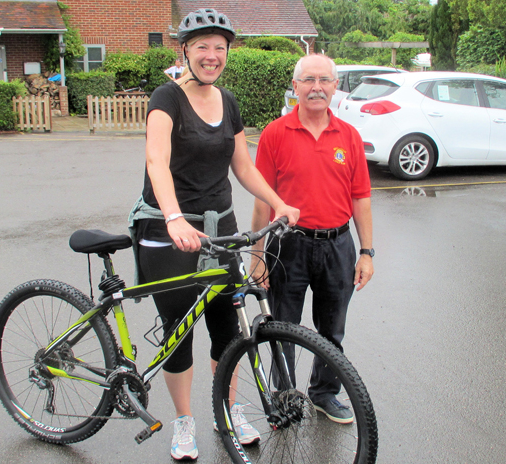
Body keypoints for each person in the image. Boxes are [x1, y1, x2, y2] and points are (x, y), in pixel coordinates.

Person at [129, 8, 299, 461]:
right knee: (178, 332)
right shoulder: (166, 98)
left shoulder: (228, 99)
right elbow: (156, 162)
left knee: (227, 325)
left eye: (219, 48)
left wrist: (278, 200)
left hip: (219, 230)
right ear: (184, 50)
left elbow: (242, 165)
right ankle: (184, 421)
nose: (211, 55)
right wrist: (173, 218)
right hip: (169, 231)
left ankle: (227, 409)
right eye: (202, 46)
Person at [250, 53, 374, 425]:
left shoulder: (349, 136)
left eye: (324, 80)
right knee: (282, 327)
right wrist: (257, 256)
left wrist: (366, 251)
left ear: (335, 87)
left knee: (332, 329)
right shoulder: (275, 133)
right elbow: (261, 199)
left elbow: (361, 198)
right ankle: (284, 396)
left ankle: (324, 393)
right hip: (287, 245)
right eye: (308, 80)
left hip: (338, 246)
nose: (316, 87)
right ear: (296, 86)